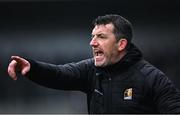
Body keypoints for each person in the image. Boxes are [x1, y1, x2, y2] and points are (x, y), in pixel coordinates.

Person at [7, 14, 180, 113]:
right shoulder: (91, 70)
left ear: (121, 44)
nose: (92, 42)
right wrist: (32, 68)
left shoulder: (152, 78)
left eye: (102, 37)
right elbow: (60, 74)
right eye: (93, 36)